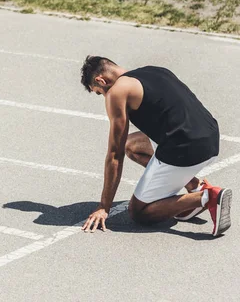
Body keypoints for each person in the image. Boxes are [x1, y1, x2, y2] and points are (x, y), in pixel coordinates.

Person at [79, 56, 231, 236]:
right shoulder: (154, 70)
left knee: (139, 213)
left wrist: (104, 207)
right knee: (131, 145)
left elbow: (114, 154)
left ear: (101, 80)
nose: (103, 96)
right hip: (211, 138)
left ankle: (208, 197)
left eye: (99, 92)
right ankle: (194, 185)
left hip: (186, 149)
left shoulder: (117, 92)